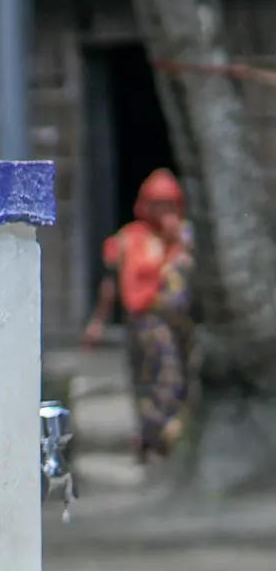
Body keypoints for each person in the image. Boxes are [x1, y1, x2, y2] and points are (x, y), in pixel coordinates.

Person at [84, 168, 197, 462]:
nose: (165, 211)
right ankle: (148, 444)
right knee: (143, 381)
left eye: (171, 203)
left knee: (171, 379)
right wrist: (98, 322)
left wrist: (178, 243)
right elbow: (110, 283)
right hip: (140, 321)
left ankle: (165, 443)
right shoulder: (129, 238)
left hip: (173, 323)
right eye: (158, 203)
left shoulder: (183, 237)